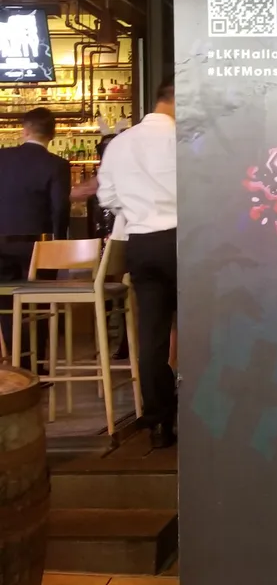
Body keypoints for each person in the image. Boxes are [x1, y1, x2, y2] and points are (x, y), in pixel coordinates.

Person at [97, 78, 177, 448]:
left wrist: (138, 207)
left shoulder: (120, 143)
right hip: (184, 239)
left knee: (152, 335)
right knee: (201, 329)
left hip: (141, 242)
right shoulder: (184, 141)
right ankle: (203, 416)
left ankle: (159, 423)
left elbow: (108, 198)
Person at [0, 106, 71, 355]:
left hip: (1, 244)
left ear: (25, 130)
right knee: (39, 303)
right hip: (39, 247)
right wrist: (59, 243)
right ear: (53, 134)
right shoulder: (57, 165)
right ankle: (36, 364)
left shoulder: (2, 158)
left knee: (6, 304)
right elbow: (59, 209)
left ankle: (13, 361)